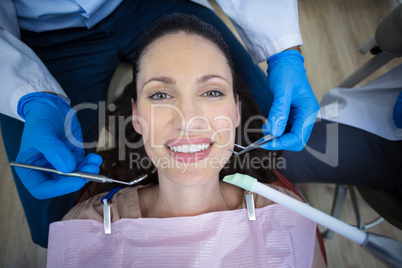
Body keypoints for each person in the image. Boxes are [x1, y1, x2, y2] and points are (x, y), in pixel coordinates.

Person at [0, 0, 318, 247]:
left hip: (152, 5)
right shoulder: (81, 230)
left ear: (235, 110)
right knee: (50, 223)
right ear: (135, 114)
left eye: (211, 91)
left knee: (271, 118)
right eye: (161, 95)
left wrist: (284, 51)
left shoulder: (291, 219)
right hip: (42, 35)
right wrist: (31, 97)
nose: (189, 120)